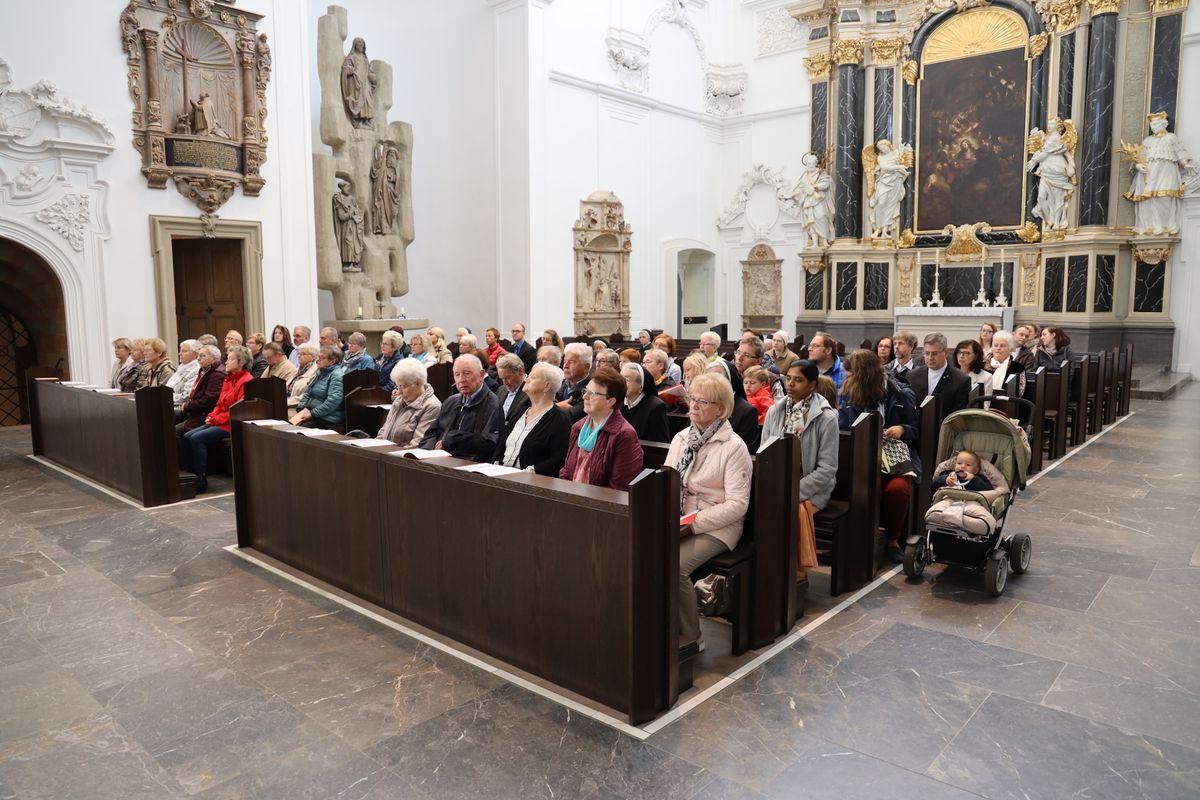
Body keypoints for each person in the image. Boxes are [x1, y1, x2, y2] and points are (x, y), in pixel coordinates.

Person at [666, 372, 752, 651]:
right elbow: (667, 480)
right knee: (644, 553)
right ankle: (660, 626)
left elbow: (737, 504)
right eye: (693, 398)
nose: (694, 405)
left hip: (718, 527)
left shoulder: (734, 447)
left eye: (703, 401)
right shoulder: (681, 438)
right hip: (681, 519)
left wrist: (693, 524)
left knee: (674, 566)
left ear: (721, 409)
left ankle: (691, 637)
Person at [838, 349, 921, 564]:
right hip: (861, 454)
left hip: (894, 455)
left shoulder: (900, 393)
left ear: (864, 375)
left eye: (851, 375)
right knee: (863, 488)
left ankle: (893, 540)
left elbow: (916, 429)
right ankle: (862, 540)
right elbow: (843, 427)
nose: (847, 379)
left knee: (898, 490)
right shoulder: (849, 392)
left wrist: (902, 429)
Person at [761, 359, 840, 580]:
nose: (791, 384)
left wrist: (792, 490)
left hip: (813, 488)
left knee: (792, 509)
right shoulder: (775, 411)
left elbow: (827, 469)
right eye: (788, 378)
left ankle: (794, 572)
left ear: (812, 385)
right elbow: (764, 452)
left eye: (798, 380)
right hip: (777, 483)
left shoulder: (826, 418)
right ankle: (768, 567)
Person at [181, 346, 253, 493]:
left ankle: (201, 479)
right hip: (220, 420)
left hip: (232, 423)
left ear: (241, 362)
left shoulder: (246, 381)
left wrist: (216, 419)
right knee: (187, 436)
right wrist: (212, 416)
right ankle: (192, 475)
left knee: (196, 438)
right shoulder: (228, 378)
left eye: (230, 359)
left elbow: (238, 410)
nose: (226, 362)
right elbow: (220, 403)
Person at [559, 367, 643, 490]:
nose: (585, 397)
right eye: (585, 391)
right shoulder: (578, 427)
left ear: (611, 401)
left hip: (601, 501)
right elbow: (566, 471)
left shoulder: (624, 435)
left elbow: (619, 487)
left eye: (592, 393)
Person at [420, 354, 503, 460]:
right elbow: (431, 433)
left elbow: (489, 443)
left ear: (481, 374)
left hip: (469, 463)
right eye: (457, 374)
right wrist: (427, 451)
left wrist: (449, 441)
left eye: (467, 373)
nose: (461, 379)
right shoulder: (451, 401)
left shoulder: (492, 404)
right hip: (439, 459)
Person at [494, 362, 572, 475]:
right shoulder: (521, 411)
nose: (526, 379)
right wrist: (495, 463)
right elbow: (501, 445)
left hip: (531, 480)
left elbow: (559, 458)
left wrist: (532, 471)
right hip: (501, 474)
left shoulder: (560, 419)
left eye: (533, 377)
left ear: (547, 386)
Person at [907, 332, 971, 423]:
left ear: (946, 352)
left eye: (934, 353)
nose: (930, 358)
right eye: (927, 353)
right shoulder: (912, 375)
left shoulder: (961, 380)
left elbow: (959, 416)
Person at [377, 359, 441, 447]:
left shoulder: (432, 406)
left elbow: (417, 444)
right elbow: (384, 431)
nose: (399, 392)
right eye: (397, 386)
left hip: (402, 455)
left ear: (418, 383)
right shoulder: (399, 400)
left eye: (403, 386)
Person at [290, 345, 345, 429]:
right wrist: (301, 407)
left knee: (301, 430)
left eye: (322, 358)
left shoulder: (336, 375)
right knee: (289, 425)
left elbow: (333, 401)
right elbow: (308, 392)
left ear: (332, 361)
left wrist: (312, 414)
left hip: (329, 417)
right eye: (318, 357)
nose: (318, 360)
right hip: (313, 412)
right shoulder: (321, 371)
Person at [174, 345, 224, 435]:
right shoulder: (204, 370)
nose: (198, 359)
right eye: (198, 356)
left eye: (202, 356)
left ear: (213, 358)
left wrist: (187, 406)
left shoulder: (217, 374)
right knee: (166, 417)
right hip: (194, 410)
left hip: (203, 414)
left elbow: (208, 400)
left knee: (173, 431)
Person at [619, 362, 670, 443]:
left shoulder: (655, 407)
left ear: (641, 386)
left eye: (626, 380)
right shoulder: (618, 402)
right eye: (620, 379)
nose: (620, 383)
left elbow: (659, 443)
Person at [987, 330, 1026, 398]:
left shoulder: (1018, 368)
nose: (998, 348)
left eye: (1002, 346)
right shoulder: (983, 366)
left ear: (1010, 349)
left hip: (1009, 402)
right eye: (995, 345)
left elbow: (1020, 392)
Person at [495, 353, 530, 428]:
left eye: (508, 378)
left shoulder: (531, 391)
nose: (505, 383)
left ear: (520, 371)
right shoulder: (501, 389)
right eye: (502, 378)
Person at [556, 342, 592, 411]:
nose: (565, 366)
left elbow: (575, 415)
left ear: (586, 367)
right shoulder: (561, 384)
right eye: (564, 361)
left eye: (571, 362)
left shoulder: (591, 390)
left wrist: (554, 408)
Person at [168, 339, 202, 409]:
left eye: (184, 351)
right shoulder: (181, 368)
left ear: (196, 354)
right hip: (171, 403)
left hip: (182, 407)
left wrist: (166, 398)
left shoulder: (196, 370)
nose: (180, 354)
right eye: (180, 351)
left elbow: (187, 396)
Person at [287, 342, 320, 411]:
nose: (299, 356)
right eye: (298, 354)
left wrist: (286, 402)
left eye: (303, 354)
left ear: (313, 356)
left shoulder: (316, 372)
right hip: (286, 404)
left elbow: (306, 396)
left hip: (298, 408)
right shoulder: (296, 370)